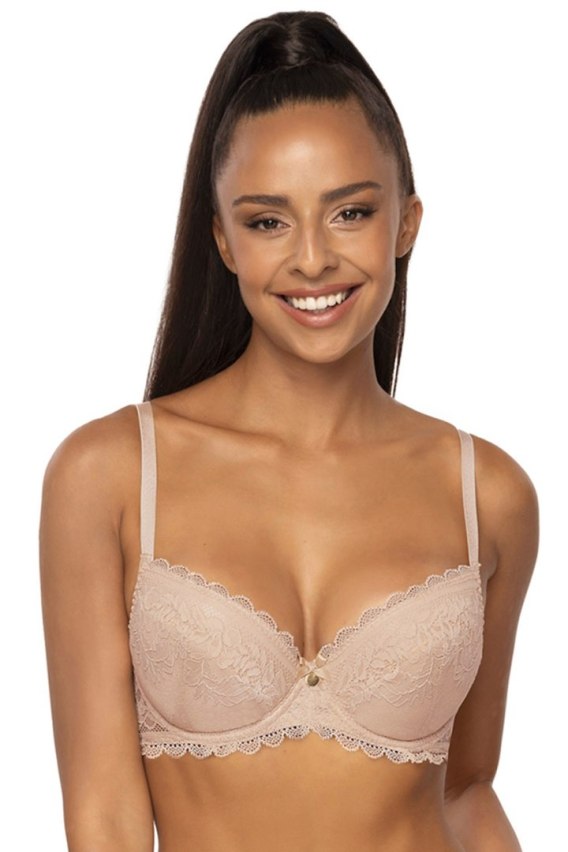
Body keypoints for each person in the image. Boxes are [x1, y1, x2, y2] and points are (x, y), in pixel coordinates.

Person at [39, 10, 538, 852]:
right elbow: (106, 820)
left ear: (406, 223)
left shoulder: (487, 494)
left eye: (350, 213)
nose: (312, 259)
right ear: (223, 239)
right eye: (268, 220)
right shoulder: (110, 475)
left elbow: (467, 791)